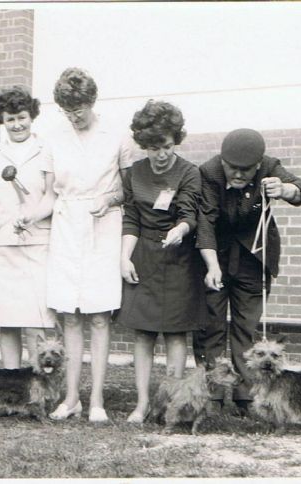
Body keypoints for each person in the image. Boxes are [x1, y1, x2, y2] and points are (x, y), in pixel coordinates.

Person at [193, 128, 301, 413]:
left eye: (245, 171)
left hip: (254, 260)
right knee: (209, 326)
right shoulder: (208, 172)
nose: (237, 175)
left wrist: (287, 190)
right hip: (215, 257)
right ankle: (211, 396)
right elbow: (206, 222)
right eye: (231, 168)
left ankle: (246, 397)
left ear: (258, 165)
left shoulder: (270, 167)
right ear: (222, 161)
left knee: (246, 328)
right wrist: (211, 266)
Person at [36, 67, 132, 423]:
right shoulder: (53, 138)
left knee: (99, 317)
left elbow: (128, 190)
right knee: (70, 318)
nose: (74, 116)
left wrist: (108, 200)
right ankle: (72, 398)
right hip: (65, 227)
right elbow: (48, 195)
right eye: (66, 110)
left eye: (79, 109)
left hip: (103, 225)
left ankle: (97, 401)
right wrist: (28, 217)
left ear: (92, 102)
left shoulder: (117, 136)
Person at [117, 100, 206, 423]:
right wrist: (124, 258)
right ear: (144, 145)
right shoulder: (135, 173)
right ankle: (141, 404)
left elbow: (189, 215)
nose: (161, 154)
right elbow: (131, 219)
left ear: (175, 141)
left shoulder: (188, 172)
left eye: (166, 146)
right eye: (153, 147)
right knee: (142, 334)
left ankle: (172, 402)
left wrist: (180, 230)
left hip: (179, 260)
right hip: (143, 258)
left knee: (175, 334)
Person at [0, 86, 55, 369]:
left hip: (38, 244)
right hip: (3, 247)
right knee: (7, 319)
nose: (17, 124)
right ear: (2, 120)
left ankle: (38, 378)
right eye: (10, 119)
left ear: (31, 116)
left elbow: (51, 195)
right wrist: (4, 229)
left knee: (36, 318)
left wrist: (33, 218)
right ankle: (12, 380)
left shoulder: (46, 150)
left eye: (22, 116)